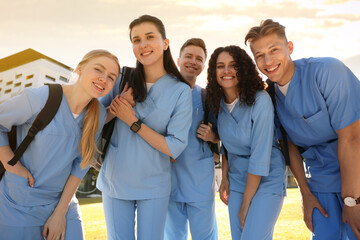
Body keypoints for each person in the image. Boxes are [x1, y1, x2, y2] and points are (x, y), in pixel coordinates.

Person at [245, 19, 360, 239]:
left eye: (274, 50)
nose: (268, 61)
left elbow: (353, 138)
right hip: (320, 182)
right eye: (259, 55)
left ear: (289, 48)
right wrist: (305, 195)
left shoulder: (327, 71)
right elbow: (289, 147)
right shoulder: (270, 98)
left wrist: (352, 200)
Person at [0, 49, 120, 240]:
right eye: (98, 69)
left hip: (63, 204)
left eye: (111, 77)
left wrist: (60, 212)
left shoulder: (98, 115)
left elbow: (80, 167)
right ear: (80, 68)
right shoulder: (38, 98)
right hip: (19, 203)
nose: (104, 79)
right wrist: (11, 165)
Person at [96, 15, 192, 240]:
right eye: (136, 40)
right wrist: (115, 108)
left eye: (150, 37)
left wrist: (132, 121)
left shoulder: (180, 91)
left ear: (165, 43)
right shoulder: (120, 78)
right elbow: (91, 122)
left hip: (154, 186)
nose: (143, 44)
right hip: (115, 182)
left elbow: (174, 147)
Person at [207, 45, 286, 239]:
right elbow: (227, 146)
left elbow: (260, 156)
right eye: (220, 66)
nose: (226, 71)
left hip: (267, 175)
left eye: (233, 65)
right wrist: (225, 178)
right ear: (213, 72)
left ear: (243, 69)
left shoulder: (261, 100)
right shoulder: (217, 105)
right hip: (236, 179)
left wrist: (244, 205)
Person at [164, 38, 218, 240]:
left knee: (205, 236)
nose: (193, 62)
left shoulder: (207, 97)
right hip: (169, 179)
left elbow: (222, 133)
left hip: (200, 180)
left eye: (199, 59)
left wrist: (214, 136)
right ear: (178, 60)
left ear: (203, 66)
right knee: (172, 236)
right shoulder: (163, 94)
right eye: (188, 56)